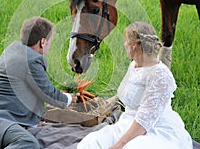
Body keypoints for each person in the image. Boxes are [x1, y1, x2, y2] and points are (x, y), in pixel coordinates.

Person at [0, 16, 77, 149]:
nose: (49, 47)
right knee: (28, 144)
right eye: (49, 43)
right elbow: (48, 93)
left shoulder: (13, 52)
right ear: (42, 42)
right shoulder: (32, 60)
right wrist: (69, 98)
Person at [77, 21, 193, 149]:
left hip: (155, 128)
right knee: (90, 143)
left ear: (134, 46)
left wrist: (118, 145)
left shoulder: (160, 75)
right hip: (128, 123)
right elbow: (125, 91)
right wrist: (105, 103)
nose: (124, 44)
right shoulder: (134, 65)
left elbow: (144, 120)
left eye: (126, 41)